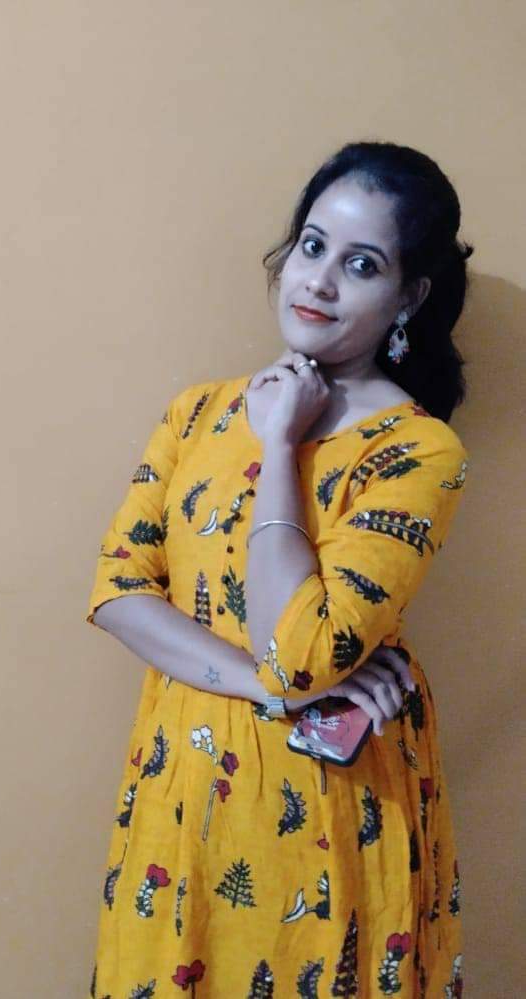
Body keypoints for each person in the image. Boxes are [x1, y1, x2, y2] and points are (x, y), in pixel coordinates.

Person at [84, 140, 471, 998]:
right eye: (311, 245)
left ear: (408, 296)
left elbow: (300, 652)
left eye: (360, 264)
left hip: (326, 815)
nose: (318, 281)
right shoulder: (195, 413)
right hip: (180, 793)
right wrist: (271, 689)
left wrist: (279, 443)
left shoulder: (417, 452)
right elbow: (117, 591)